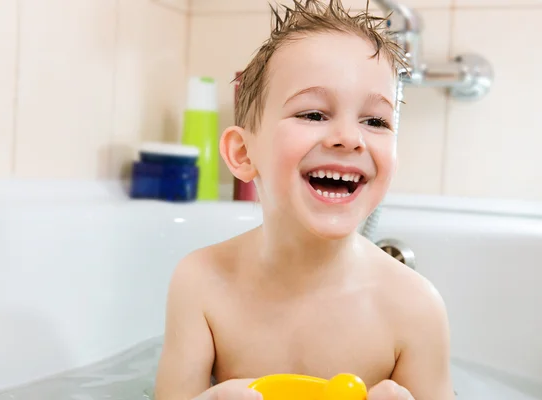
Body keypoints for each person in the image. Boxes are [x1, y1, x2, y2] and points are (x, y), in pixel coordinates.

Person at [154, 1, 455, 399]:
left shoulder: (415, 308)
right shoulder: (202, 282)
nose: (349, 137)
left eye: (376, 121)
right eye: (313, 114)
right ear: (243, 154)